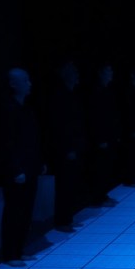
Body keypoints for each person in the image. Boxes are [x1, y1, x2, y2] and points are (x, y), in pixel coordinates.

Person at [0, 67, 45, 267]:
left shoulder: (27, 108)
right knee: (14, 211)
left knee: (26, 210)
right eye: (25, 80)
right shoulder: (8, 109)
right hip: (17, 171)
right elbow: (6, 143)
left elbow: (34, 139)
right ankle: (10, 254)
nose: (29, 84)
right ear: (13, 84)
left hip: (30, 167)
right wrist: (15, 169)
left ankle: (19, 249)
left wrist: (39, 162)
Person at [44, 57, 87, 232]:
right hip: (66, 149)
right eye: (73, 71)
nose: (77, 74)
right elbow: (59, 126)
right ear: (64, 73)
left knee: (70, 184)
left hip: (74, 147)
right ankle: (62, 220)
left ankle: (67, 217)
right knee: (65, 184)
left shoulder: (71, 94)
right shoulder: (60, 96)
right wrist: (67, 148)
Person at [85, 60, 121, 207]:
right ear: (100, 73)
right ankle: (97, 197)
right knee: (100, 168)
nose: (111, 74)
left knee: (106, 168)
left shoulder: (106, 90)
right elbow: (95, 118)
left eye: (111, 71)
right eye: (108, 71)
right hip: (102, 137)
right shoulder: (96, 92)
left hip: (109, 135)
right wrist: (100, 138)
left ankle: (102, 195)